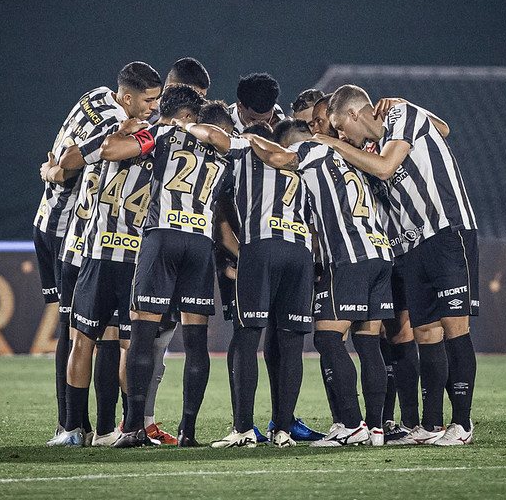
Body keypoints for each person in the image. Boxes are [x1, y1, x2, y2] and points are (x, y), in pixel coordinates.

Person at [322, 85, 479, 446]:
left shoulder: (399, 116)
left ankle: (463, 423)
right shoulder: (374, 145)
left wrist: (335, 144)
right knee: (425, 333)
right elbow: (438, 131)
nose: (341, 135)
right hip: (412, 245)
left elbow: (388, 166)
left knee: (455, 327)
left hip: (447, 231)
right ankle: (432, 425)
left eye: (339, 127)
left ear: (353, 115)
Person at [244, 119, 395, 447]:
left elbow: (278, 159)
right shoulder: (344, 157)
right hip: (379, 252)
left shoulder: (309, 149)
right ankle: (377, 428)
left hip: (350, 256)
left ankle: (353, 425)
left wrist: (250, 139)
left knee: (328, 339)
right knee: (368, 344)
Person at [100, 90, 233, 448]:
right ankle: (189, 432)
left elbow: (111, 151)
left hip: (162, 236)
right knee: (195, 343)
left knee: (142, 335)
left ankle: (132, 428)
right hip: (200, 244)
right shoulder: (223, 151)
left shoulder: (162, 133)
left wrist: (131, 129)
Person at [33, 62, 156, 443]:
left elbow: (66, 150)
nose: (153, 107)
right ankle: (86, 425)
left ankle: (84, 427)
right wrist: (58, 172)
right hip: (72, 236)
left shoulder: (96, 96)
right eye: (148, 100)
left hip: (53, 223)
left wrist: (52, 174)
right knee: (83, 335)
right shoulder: (119, 129)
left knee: (82, 333)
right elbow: (74, 157)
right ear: (128, 97)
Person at [174, 117, 316, 449]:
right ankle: (283, 429)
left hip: (261, 247)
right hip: (301, 252)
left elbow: (212, 135)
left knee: (247, 338)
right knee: (291, 344)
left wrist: (184, 123)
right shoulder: (311, 159)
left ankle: (243, 429)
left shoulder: (249, 149)